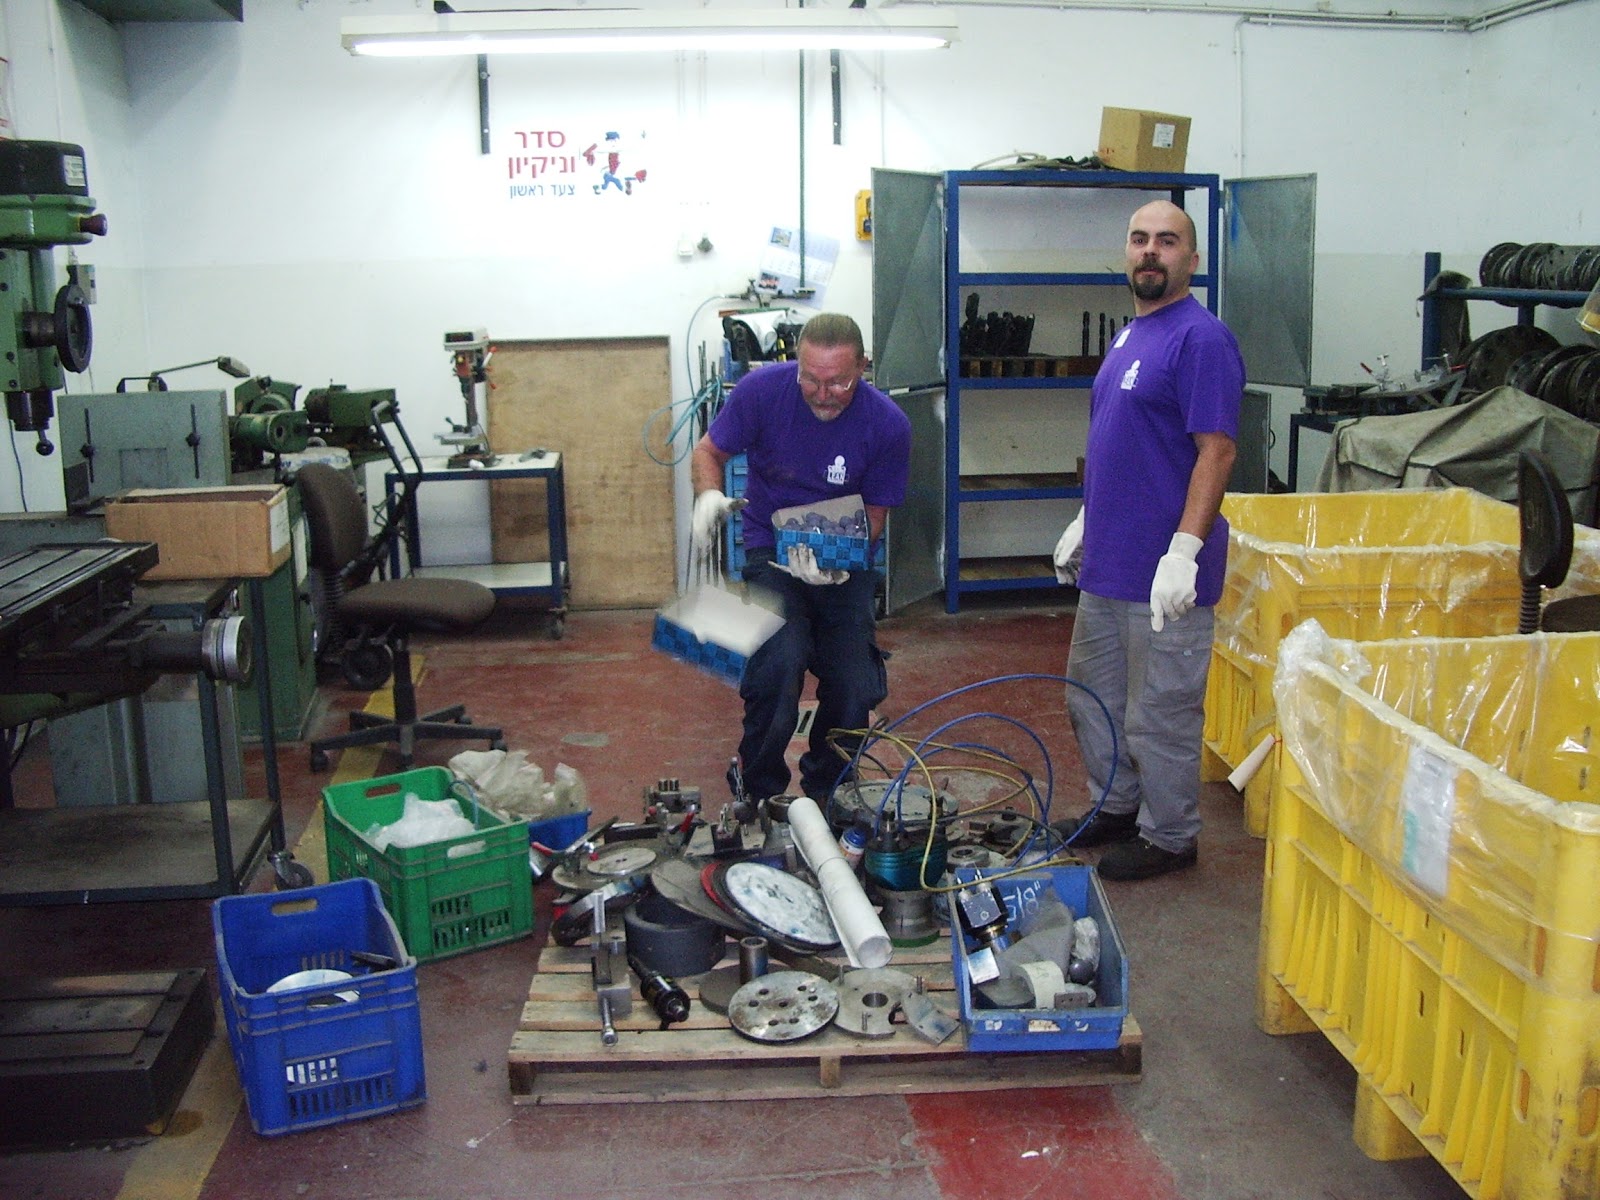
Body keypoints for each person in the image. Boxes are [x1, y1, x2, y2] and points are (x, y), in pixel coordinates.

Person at [1051, 199, 1244, 881]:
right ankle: (1117, 805)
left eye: (1167, 240)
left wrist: (1184, 552)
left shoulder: (1202, 339)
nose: (1150, 251)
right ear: (1126, 252)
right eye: (1139, 239)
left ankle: (1170, 835)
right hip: (1109, 563)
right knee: (1092, 698)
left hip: (1163, 573)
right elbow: (1121, 439)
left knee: (1159, 713)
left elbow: (1217, 450)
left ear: (1191, 258)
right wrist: (1087, 518)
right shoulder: (1132, 335)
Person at [690, 313, 912, 804]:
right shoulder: (760, 392)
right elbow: (708, 452)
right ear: (797, 363)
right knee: (778, 663)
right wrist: (708, 497)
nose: (822, 394)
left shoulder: (888, 425)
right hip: (772, 550)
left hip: (843, 559)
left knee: (854, 681)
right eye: (810, 379)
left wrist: (839, 560)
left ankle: (830, 790)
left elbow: (875, 516)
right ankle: (759, 792)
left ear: (863, 367)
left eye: (838, 382)